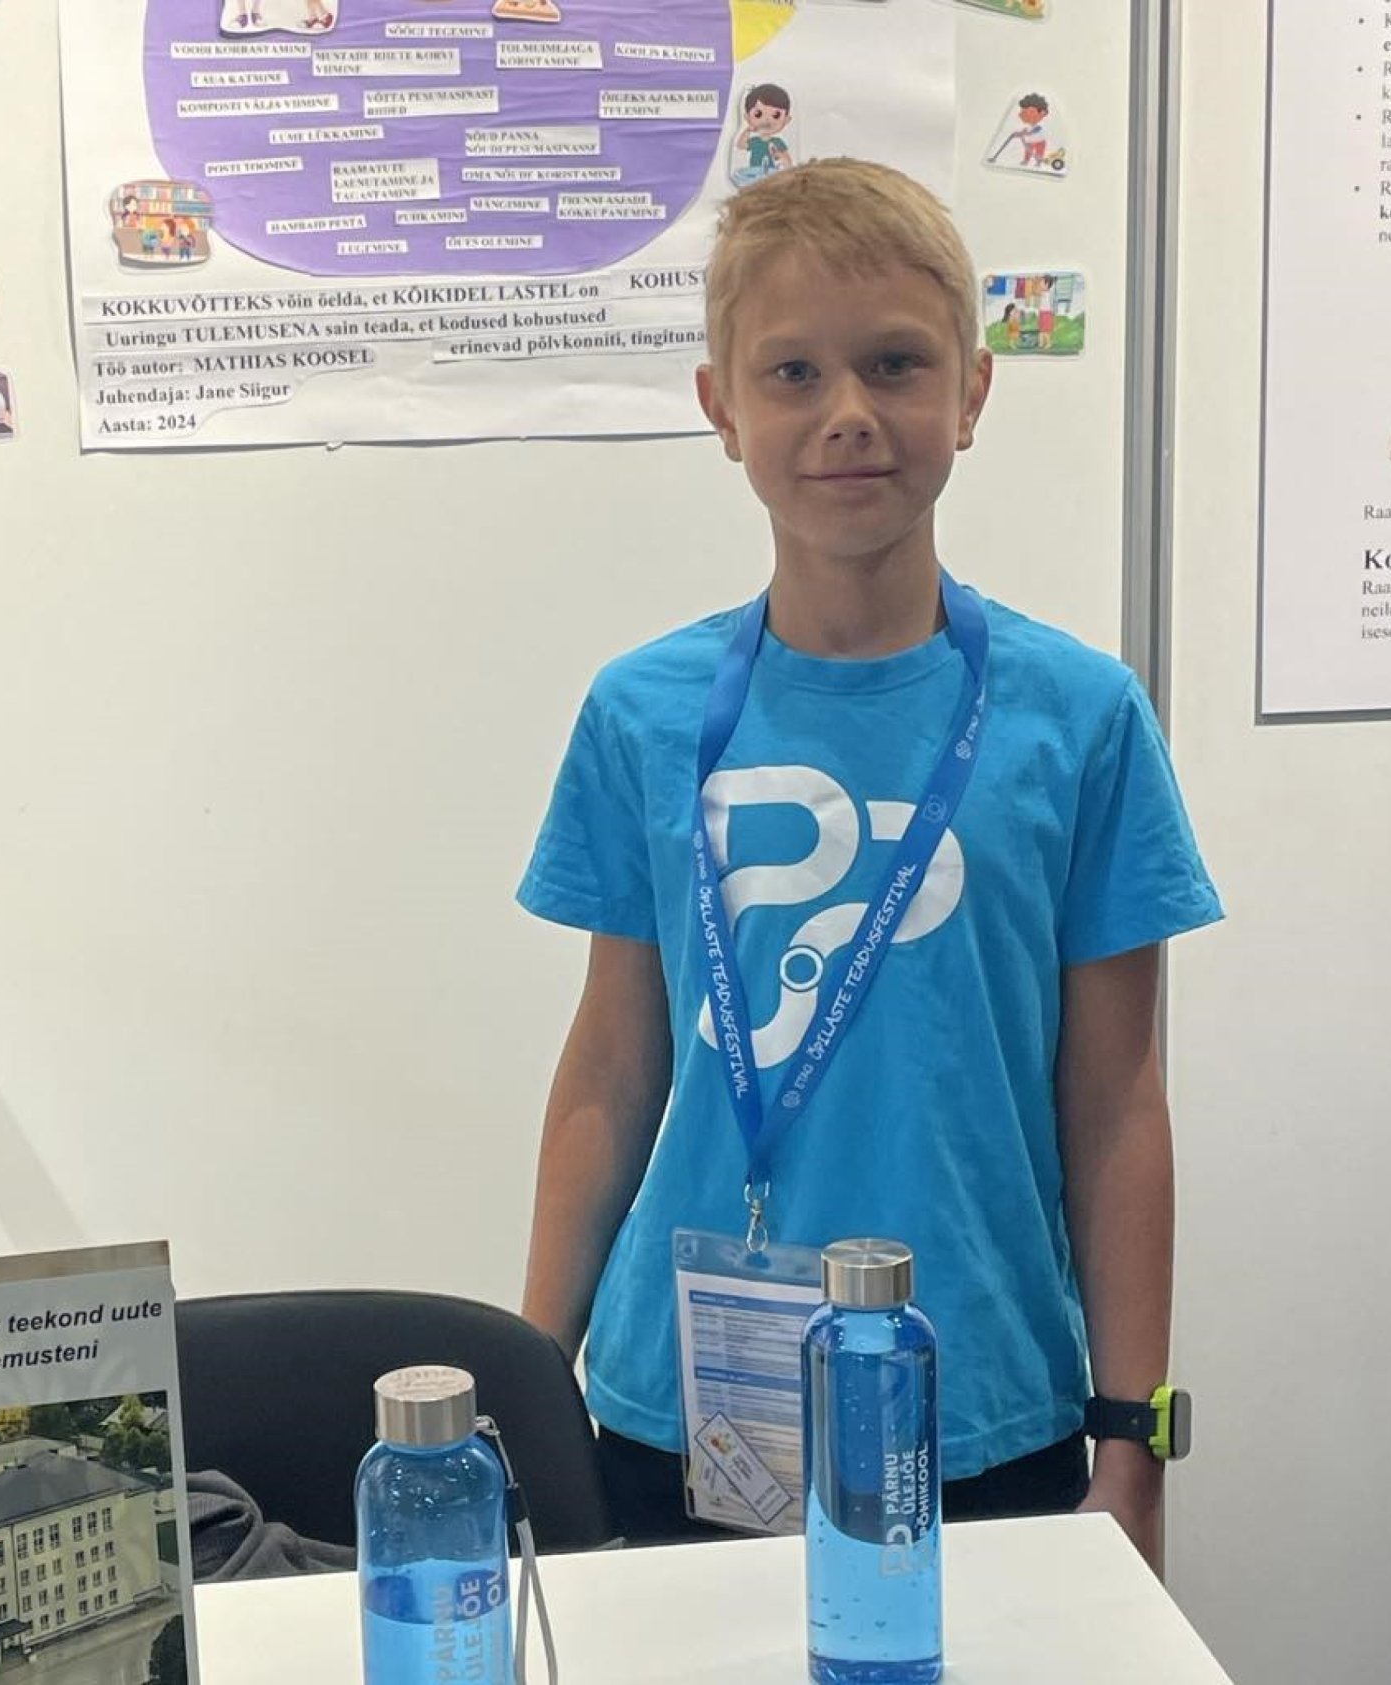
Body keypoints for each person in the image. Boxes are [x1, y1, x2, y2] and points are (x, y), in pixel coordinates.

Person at [514, 159, 1219, 1574]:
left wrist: (1131, 1435)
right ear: (722, 408)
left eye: (896, 364)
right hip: (684, 1404)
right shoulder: (642, 714)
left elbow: (1116, 1103)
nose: (848, 412)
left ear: (972, 391)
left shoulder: (1079, 717)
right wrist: (531, 1384)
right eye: (793, 372)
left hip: (987, 1404)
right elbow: (611, 1065)